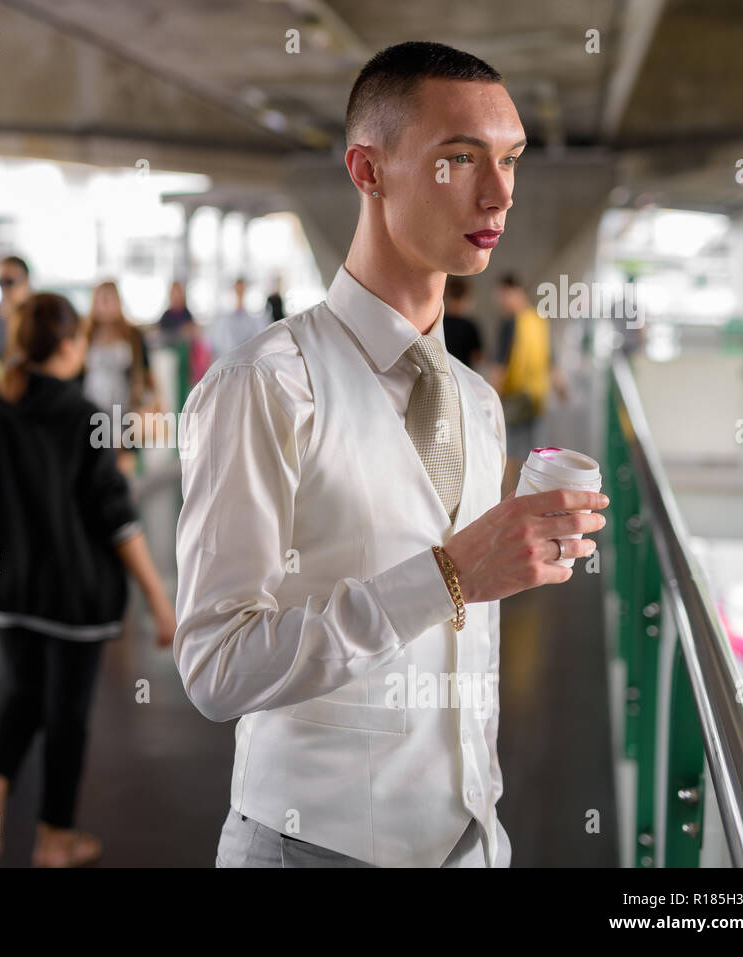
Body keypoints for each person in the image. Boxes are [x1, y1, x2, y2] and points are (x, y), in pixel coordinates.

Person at [173, 40, 609, 868]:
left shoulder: (476, 404)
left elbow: (455, 633)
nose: (500, 192)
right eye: (460, 159)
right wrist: (447, 575)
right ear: (367, 171)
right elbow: (215, 667)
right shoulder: (266, 385)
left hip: (472, 841)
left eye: (510, 159)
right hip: (310, 844)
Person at [0, 292, 176, 867]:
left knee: (23, 693)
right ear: (69, 346)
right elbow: (118, 520)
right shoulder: (86, 419)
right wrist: (158, 599)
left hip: (4, 593)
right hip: (73, 598)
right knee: (67, 715)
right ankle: (53, 839)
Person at [490, 273, 568, 492]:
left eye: (502, 296)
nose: (501, 302)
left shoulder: (510, 323)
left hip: (513, 399)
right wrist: (561, 387)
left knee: (508, 454)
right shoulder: (539, 321)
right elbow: (551, 359)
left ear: (514, 292)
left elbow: (500, 366)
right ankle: (529, 497)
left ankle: (509, 498)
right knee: (534, 454)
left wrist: (489, 396)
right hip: (536, 399)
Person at [81, 280, 160, 475]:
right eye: (101, 300)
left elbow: (145, 370)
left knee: (123, 468)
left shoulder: (132, 334)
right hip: (92, 411)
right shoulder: (86, 334)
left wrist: (153, 401)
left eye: (110, 299)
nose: (105, 305)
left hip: (125, 411)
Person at [207, 277, 261, 359]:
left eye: (242, 290)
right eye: (238, 289)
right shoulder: (223, 318)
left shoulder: (254, 318)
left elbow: (257, 340)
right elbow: (216, 343)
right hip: (226, 359)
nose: (240, 293)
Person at [443, 276, 484, 369]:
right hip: (463, 375)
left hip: (442, 372)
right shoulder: (470, 326)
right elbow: (478, 357)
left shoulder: (438, 322)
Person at [157, 280, 195, 345]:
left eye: (178, 294)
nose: (176, 297)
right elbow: (161, 335)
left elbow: (192, 334)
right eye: (174, 294)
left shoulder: (187, 314)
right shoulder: (166, 316)